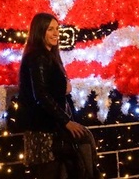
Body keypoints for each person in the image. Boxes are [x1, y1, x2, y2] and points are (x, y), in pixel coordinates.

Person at [17, 12, 100, 178]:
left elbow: (48, 89)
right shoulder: (38, 57)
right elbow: (40, 94)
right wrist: (66, 121)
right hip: (44, 131)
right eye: (50, 29)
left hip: (51, 127)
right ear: (40, 31)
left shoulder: (47, 56)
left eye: (57, 29)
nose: (56, 33)